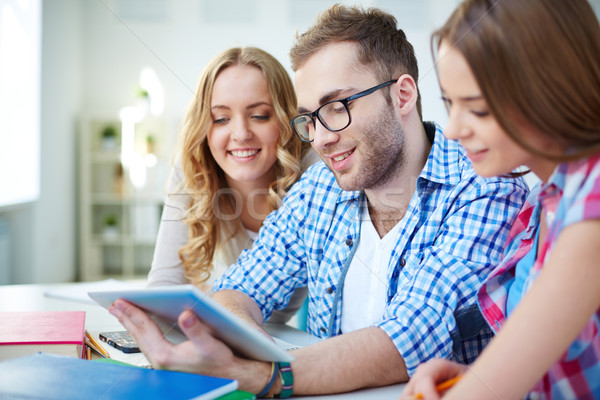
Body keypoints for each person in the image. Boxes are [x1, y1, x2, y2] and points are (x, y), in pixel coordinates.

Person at [109, 5, 529, 396]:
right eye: (310, 118)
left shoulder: (483, 187)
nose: (322, 138)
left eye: (338, 106)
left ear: (402, 96)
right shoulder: (319, 190)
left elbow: (411, 334)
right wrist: (228, 339)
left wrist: (264, 374)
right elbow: (238, 290)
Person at [400, 0, 600, 399]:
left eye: (477, 109)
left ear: (550, 90)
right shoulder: (542, 199)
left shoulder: (592, 201)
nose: (453, 130)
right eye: (449, 103)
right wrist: (468, 376)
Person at [146, 47, 315, 323]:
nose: (241, 134)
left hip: (264, 327)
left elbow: (277, 310)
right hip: (226, 322)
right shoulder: (193, 165)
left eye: (259, 115)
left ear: (285, 120)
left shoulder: (311, 172)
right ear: (204, 127)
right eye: (221, 118)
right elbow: (164, 282)